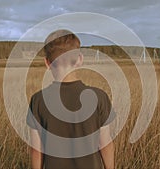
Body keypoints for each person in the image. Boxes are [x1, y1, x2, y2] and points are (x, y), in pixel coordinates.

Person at [27, 29, 115, 169]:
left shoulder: (37, 101)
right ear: (80, 59)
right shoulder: (99, 97)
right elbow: (105, 144)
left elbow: (36, 151)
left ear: (47, 63)